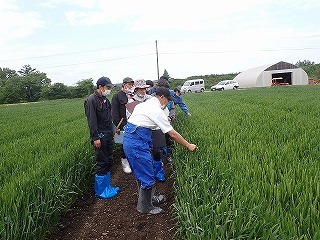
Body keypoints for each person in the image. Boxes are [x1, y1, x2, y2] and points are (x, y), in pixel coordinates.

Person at [122, 87, 197, 214]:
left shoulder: (146, 104)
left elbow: (147, 122)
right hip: (136, 143)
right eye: (168, 100)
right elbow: (172, 134)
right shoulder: (155, 109)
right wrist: (188, 145)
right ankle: (144, 207)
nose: (168, 102)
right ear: (161, 97)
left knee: (143, 171)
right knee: (146, 174)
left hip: (133, 140)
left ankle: (149, 199)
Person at [84, 76, 120, 199]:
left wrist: (114, 128)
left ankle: (107, 187)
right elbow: (92, 121)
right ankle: (101, 191)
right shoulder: (91, 100)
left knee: (109, 160)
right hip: (99, 136)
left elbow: (108, 119)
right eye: (108, 87)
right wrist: (95, 138)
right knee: (102, 162)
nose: (109, 89)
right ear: (100, 87)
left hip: (108, 135)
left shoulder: (105, 100)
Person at [111, 77, 134, 174]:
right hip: (122, 124)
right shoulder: (117, 96)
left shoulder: (132, 95)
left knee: (132, 143)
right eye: (129, 84)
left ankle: (132, 161)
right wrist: (117, 126)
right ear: (124, 84)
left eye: (132, 84)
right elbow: (115, 113)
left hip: (133, 123)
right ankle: (125, 163)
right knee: (123, 144)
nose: (131, 86)